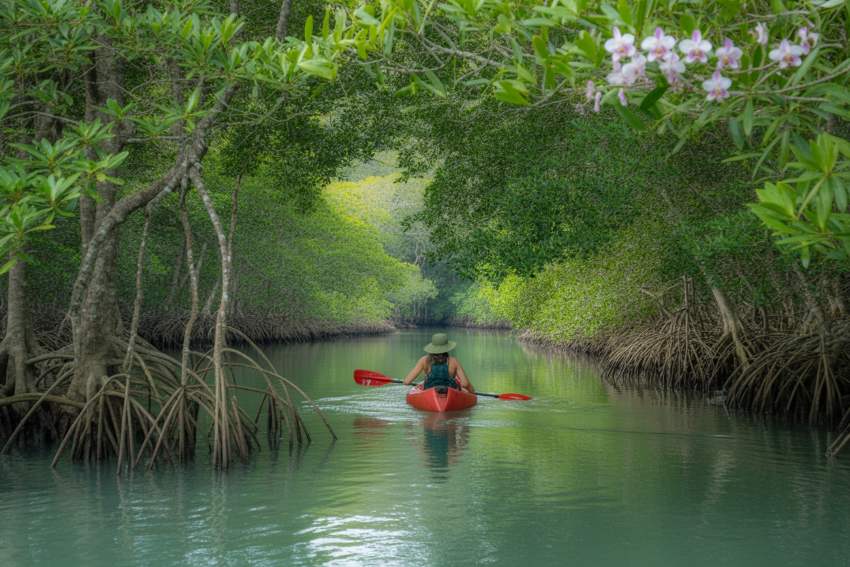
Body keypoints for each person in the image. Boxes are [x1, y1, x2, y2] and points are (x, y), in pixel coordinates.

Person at [403, 333, 475, 393]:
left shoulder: (424, 360)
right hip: (450, 392)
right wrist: (472, 392)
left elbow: (407, 381)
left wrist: (420, 385)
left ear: (432, 347)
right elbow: (465, 384)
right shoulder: (453, 361)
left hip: (430, 392)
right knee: (465, 391)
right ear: (447, 348)